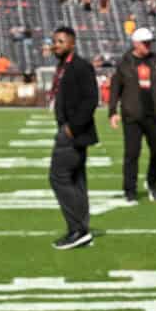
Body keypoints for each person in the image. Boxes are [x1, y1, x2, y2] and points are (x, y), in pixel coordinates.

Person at [109, 27, 156, 202]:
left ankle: (152, 182)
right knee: (132, 154)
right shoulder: (125, 63)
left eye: (150, 42)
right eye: (145, 43)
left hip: (154, 114)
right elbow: (115, 88)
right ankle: (130, 190)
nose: (148, 46)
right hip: (132, 115)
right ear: (136, 43)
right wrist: (112, 111)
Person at [48, 26, 99, 250]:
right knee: (77, 180)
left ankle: (77, 229)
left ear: (71, 43)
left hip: (74, 133)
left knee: (58, 177)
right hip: (71, 131)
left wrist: (72, 128)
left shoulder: (80, 66)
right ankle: (81, 229)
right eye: (54, 42)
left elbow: (91, 100)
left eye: (60, 41)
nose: (55, 45)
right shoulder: (63, 66)